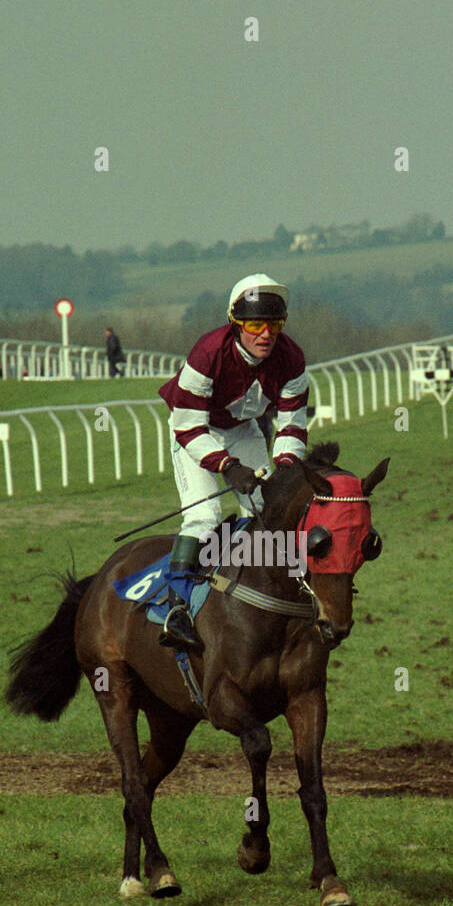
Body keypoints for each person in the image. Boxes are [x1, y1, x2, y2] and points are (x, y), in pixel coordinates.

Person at [156, 272, 308, 652]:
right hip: (196, 431)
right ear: (236, 325)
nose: (266, 334)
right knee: (204, 517)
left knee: (269, 508)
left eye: (274, 324)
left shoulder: (291, 359)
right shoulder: (208, 353)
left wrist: (286, 469)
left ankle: (280, 596)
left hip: (243, 430)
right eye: (255, 325)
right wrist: (227, 466)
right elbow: (188, 425)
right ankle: (178, 611)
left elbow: (292, 425)